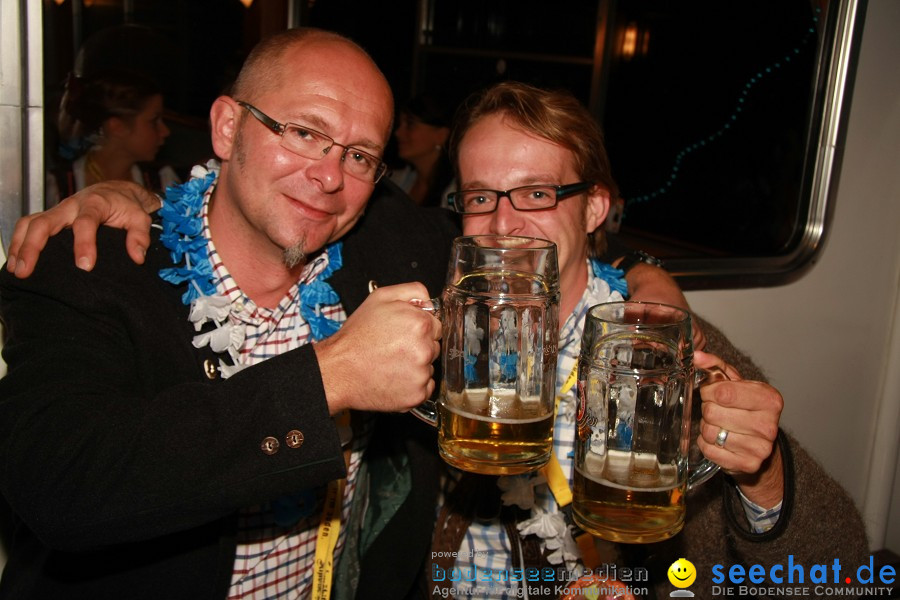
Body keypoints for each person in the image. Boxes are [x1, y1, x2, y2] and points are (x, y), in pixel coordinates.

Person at [0, 30, 685, 600]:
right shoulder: (94, 266)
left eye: (359, 156)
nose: (331, 177)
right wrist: (330, 377)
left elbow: (531, 232)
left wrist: (648, 278)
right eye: (304, 133)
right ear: (227, 125)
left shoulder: (388, 247)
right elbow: (58, 483)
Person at [427, 81, 869, 598]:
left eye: (537, 193)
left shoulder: (659, 339)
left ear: (593, 208)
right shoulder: (442, 323)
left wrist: (762, 475)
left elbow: (839, 569)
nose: (503, 224)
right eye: (481, 196)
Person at [48, 68, 180, 204]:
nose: (165, 131)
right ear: (117, 127)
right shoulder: (61, 187)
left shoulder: (162, 180)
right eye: (154, 121)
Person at [389, 93, 456, 208]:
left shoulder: (455, 193)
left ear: (441, 135)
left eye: (410, 124)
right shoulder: (397, 182)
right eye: (400, 124)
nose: (398, 133)